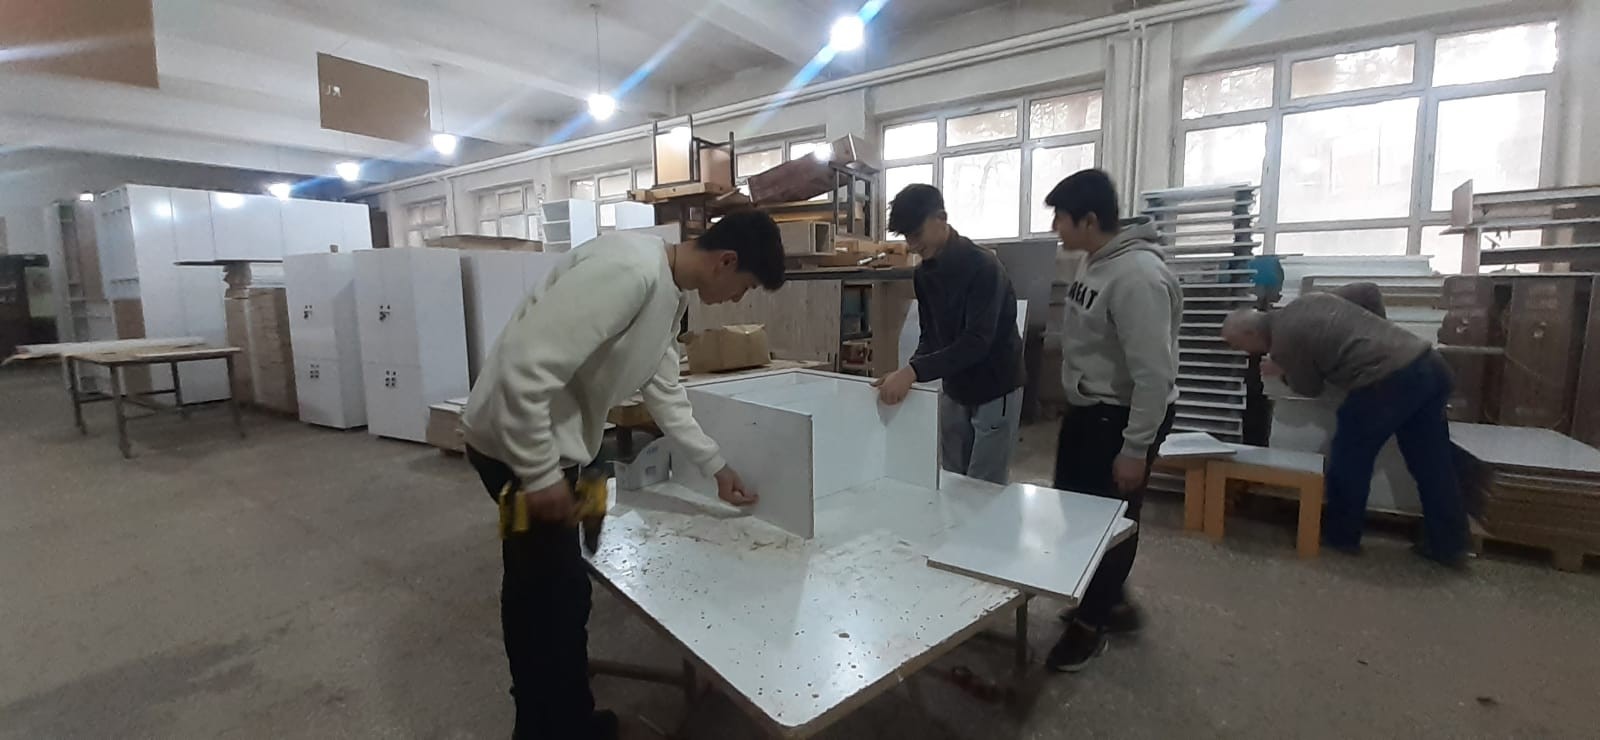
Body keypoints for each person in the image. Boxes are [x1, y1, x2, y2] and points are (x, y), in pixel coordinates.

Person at [460, 211, 786, 740]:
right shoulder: (629, 270)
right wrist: (540, 476)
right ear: (726, 261)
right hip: (516, 452)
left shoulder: (670, 295)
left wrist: (715, 466)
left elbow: (664, 390)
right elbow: (524, 366)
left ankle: (566, 718)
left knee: (560, 590)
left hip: (562, 451)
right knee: (547, 599)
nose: (737, 300)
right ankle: (551, 729)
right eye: (744, 286)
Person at [1043, 169, 1181, 673]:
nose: (1056, 228)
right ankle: (1111, 602)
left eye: (1061, 218)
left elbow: (1154, 375)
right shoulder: (1096, 261)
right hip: (1090, 410)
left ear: (1089, 220)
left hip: (1121, 418)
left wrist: (1135, 448)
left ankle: (1091, 624)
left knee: (1111, 522)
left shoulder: (1138, 278)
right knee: (1077, 512)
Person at [1221, 294, 1469, 567]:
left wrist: (1281, 372)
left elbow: (1310, 388)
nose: (1244, 352)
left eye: (1238, 345)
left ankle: (1342, 537)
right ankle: (1448, 545)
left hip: (1386, 382)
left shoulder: (1283, 343)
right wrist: (1377, 332)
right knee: (1432, 464)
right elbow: (1367, 290)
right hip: (1429, 364)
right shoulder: (1303, 303)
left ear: (1252, 333)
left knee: (1349, 458)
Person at [873, 184, 1025, 484]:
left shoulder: (984, 267)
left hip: (995, 386)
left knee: (983, 486)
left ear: (941, 219)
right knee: (953, 479)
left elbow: (977, 342)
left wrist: (913, 372)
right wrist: (908, 372)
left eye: (916, 234)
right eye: (906, 237)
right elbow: (930, 335)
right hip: (955, 387)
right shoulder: (924, 275)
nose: (912, 246)